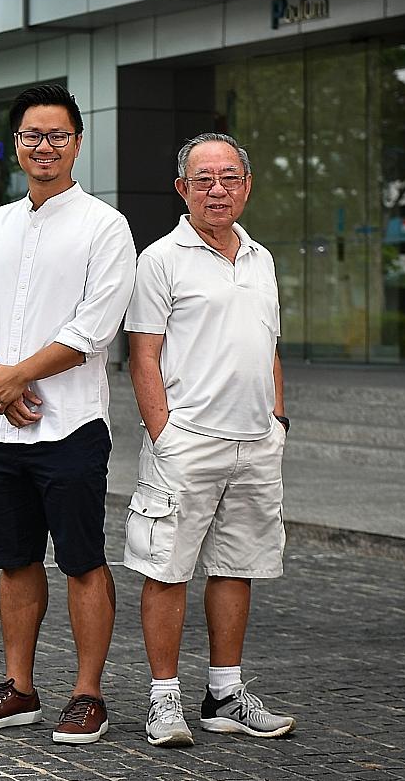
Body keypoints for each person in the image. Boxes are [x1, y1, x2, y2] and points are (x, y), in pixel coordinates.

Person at [0, 83, 136, 745]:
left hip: (72, 427)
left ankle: (89, 694)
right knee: (14, 560)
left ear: (78, 143)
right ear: (16, 145)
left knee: (83, 560)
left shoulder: (104, 226)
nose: (44, 146)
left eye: (57, 135)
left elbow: (96, 325)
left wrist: (17, 376)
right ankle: (20, 688)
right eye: (32, 135)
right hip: (2, 428)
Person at [123, 132, 297, 747]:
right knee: (166, 567)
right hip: (186, 441)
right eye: (204, 179)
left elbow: (269, 346)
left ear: (246, 187)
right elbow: (142, 354)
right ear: (183, 189)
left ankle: (224, 694)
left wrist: (276, 418)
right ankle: (164, 701)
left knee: (236, 567)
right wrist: (163, 433)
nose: (217, 189)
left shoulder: (262, 258)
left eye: (229, 178)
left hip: (254, 443)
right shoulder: (160, 259)